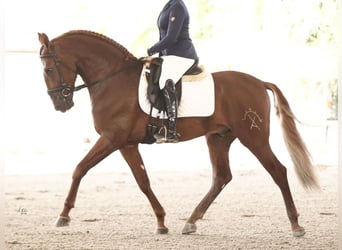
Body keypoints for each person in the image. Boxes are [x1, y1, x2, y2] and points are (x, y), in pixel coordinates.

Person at [147, 0, 199, 142]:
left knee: (166, 80)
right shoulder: (170, 5)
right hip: (169, 56)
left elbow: (171, 37)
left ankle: (171, 129)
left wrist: (151, 50)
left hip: (183, 55)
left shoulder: (178, 7)